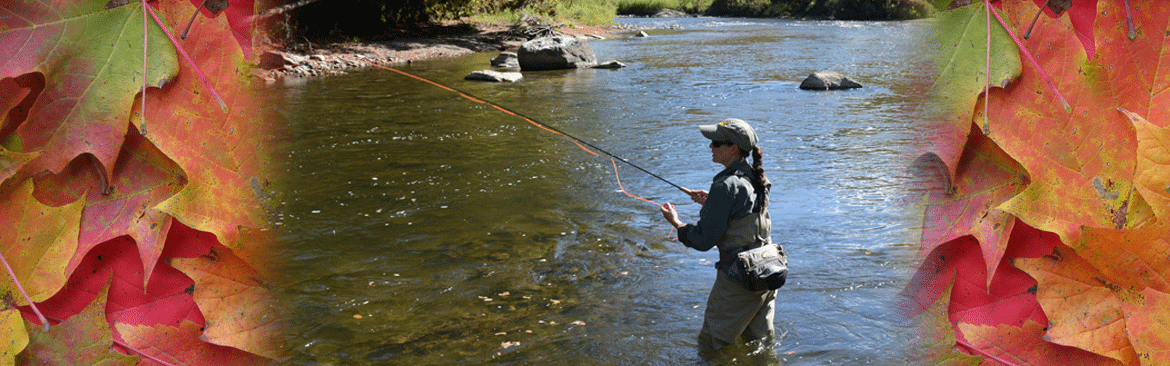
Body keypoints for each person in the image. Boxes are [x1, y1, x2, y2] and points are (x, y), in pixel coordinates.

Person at [660, 118, 776, 352]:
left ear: (732, 148)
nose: (710, 147)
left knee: (712, 345)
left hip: (738, 279)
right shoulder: (757, 177)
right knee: (759, 343)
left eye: (715, 143)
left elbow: (703, 240)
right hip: (767, 272)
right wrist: (711, 202)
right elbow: (742, 214)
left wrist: (677, 223)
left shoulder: (725, 186)